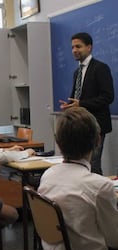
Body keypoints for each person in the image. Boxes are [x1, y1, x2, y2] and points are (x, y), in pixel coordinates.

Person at [38, 107, 118, 250]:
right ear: (98, 141)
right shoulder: (100, 186)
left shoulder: (48, 175)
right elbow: (114, 238)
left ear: (58, 143)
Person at [58, 32, 114, 175]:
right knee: (79, 165)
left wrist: (81, 104)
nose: (74, 50)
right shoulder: (77, 72)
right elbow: (76, 97)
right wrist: (68, 105)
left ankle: (98, 195)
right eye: (72, 47)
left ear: (89, 47)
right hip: (79, 125)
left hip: (97, 125)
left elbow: (108, 97)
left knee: (93, 165)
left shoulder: (100, 68)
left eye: (78, 46)